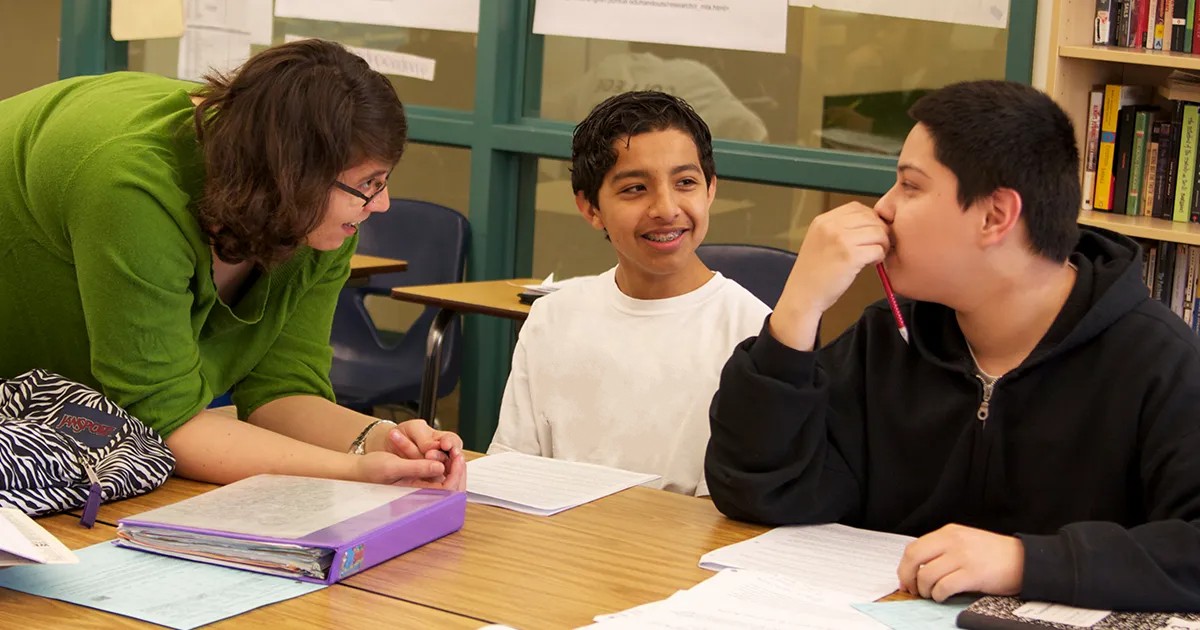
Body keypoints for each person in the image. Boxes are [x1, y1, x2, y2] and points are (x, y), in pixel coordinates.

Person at [705, 80, 1200, 610]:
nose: (883, 208)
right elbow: (756, 489)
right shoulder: (891, 338)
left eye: (911, 187)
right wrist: (798, 310)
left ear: (994, 217)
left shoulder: (1157, 363)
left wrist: (1022, 562)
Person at [0, 39, 464, 490]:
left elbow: (282, 388)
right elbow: (164, 422)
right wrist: (352, 474)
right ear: (292, 179)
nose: (381, 204)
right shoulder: (135, 188)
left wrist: (383, 441)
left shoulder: (320, 218)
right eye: (369, 182)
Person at [488, 91, 771, 496]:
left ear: (710, 190)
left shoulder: (753, 332)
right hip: (558, 545)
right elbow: (511, 468)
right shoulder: (553, 319)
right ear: (590, 208)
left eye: (685, 182)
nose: (666, 208)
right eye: (635, 188)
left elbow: (736, 509)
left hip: (680, 552)